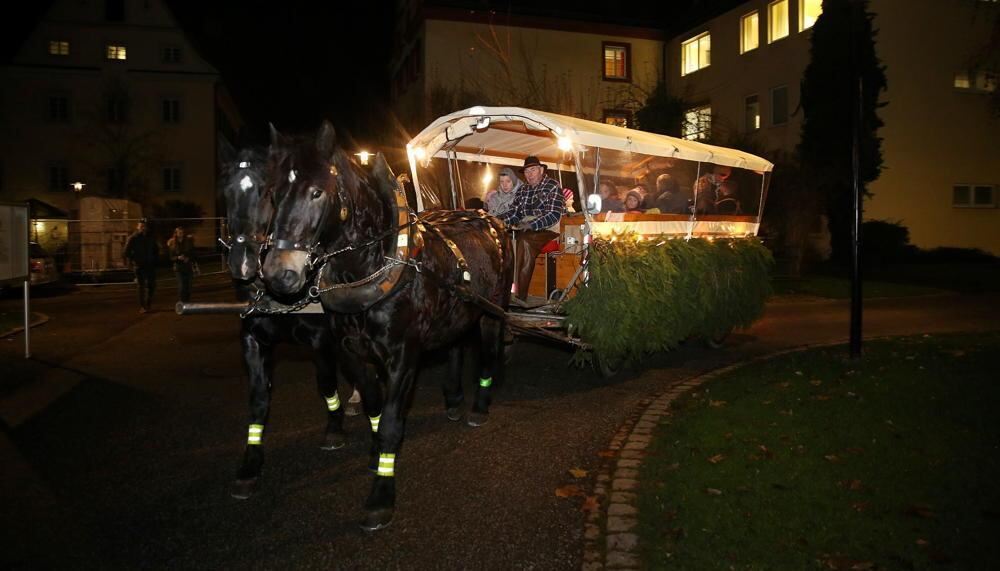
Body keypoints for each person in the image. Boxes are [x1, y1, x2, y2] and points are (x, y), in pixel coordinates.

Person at [499, 156, 565, 301]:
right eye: (527, 171)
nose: (529, 174)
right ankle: (501, 292)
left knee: (525, 241)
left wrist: (532, 224)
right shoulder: (523, 189)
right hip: (525, 228)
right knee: (503, 240)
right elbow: (515, 212)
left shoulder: (552, 186)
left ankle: (520, 296)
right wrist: (498, 220)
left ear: (541, 170)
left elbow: (553, 215)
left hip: (549, 229)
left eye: (533, 170)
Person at [122, 218, 159, 313]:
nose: (143, 227)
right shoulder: (133, 238)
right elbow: (126, 252)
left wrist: (155, 259)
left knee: (152, 285)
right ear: (138, 227)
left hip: (150, 265)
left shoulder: (151, 237)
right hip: (139, 266)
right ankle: (143, 306)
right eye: (141, 226)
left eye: (144, 226)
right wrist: (133, 260)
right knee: (141, 286)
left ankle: (148, 303)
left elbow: (156, 250)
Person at [167, 226, 195, 303]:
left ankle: (187, 301)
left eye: (182, 232)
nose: (181, 234)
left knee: (189, 286)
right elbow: (170, 257)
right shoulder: (172, 243)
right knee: (182, 286)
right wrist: (178, 258)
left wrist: (188, 258)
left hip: (188, 266)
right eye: (179, 232)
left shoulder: (188, 242)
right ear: (176, 233)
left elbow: (193, 253)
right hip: (178, 267)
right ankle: (182, 303)